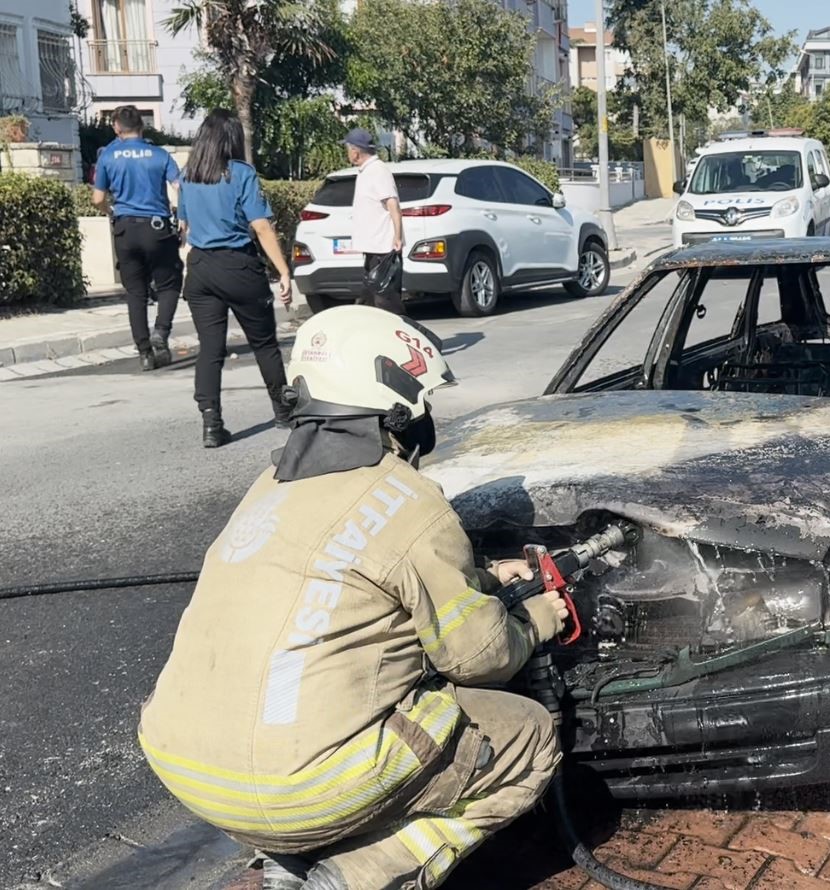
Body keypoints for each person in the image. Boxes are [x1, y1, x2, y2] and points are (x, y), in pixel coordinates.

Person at [138, 306, 567, 890]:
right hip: (298, 788)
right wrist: (535, 619)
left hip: (191, 770)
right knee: (528, 735)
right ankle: (359, 874)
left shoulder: (268, 490)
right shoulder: (409, 499)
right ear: (399, 406)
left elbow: (356, 576)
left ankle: (285, 859)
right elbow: (478, 658)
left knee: (337, 706)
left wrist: (485, 576)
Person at [178, 109, 293, 448]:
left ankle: (211, 424)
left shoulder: (189, 176)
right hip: (238, 267)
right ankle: (283, 410)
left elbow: (184, 227)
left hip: (200, 270)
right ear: (232, 140)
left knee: (210, 350)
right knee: (263, 343)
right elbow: (260, 226)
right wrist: (283, 270)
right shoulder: (242, 174)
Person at [92, 105, 183, 371]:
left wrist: (111, 211)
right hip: (157, 229)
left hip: (125, 229)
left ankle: (144, 352)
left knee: (135, 292)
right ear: (142, 127)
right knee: (169, 283)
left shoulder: (108, 157)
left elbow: (98, 198)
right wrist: (185, 218)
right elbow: (179, 186)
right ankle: (161, 332)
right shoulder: (159, 155)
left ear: (117, 127)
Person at [344, 128, 405, 315]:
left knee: (386, 301)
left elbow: (392, 203)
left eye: (347, 148)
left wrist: (397, 236)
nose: (347, 153)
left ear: (355, 151)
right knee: (371, 301)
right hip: (373, 249)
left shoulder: (378, 171)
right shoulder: (366, 171)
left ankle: (399, 337)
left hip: (384, 249)